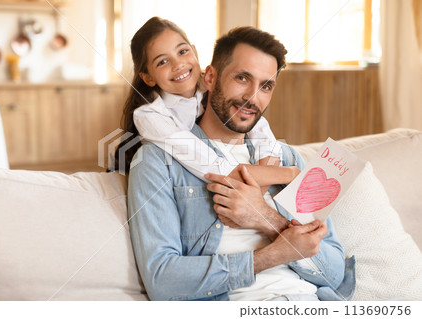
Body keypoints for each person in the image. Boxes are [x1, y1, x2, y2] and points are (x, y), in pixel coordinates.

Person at [127, 26, 355, 301]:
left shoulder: (287, 157)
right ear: (210, 77)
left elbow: (333, 274)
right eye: (242, 78)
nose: (252, 97)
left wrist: (267, 220)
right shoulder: (158, 162)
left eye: (266, 86)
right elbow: (162, 281)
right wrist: (273, 255)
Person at [119, 17, 299, 190]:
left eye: (182, 51)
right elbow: (214, 167)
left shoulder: (213, 87)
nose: (178, 64)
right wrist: (289, 174)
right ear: (148, 77)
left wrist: (261, 192)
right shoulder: (150, 116)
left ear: (195, 52)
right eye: (162, 61)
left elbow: (261, 130)